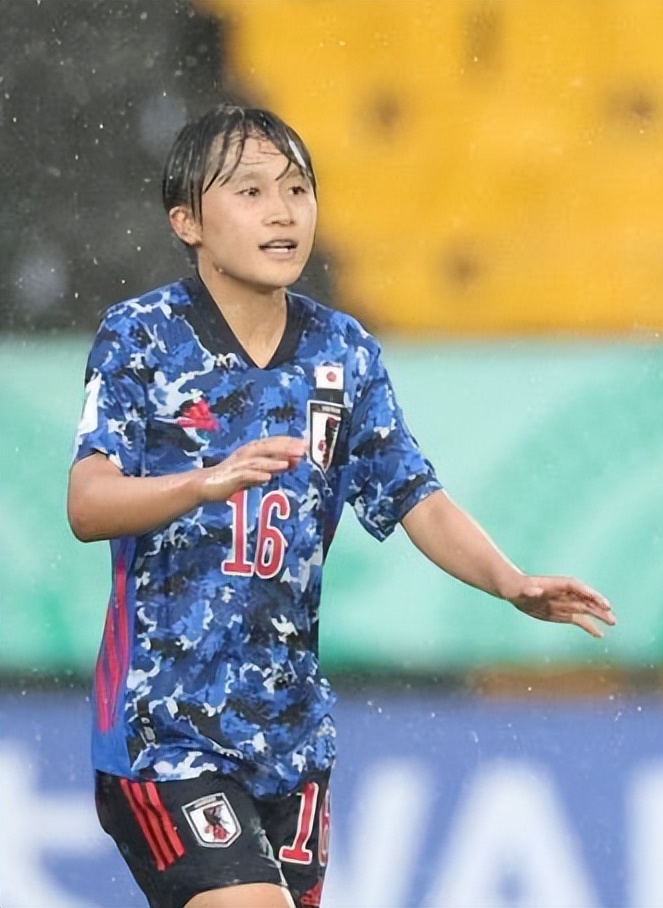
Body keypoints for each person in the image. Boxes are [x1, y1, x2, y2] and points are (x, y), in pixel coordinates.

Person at [66, 105, 616, 908]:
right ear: (186, 221)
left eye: (296, 188)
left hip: (290, 735)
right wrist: (202, 483)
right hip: (166, 731)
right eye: (249, 191)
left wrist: (510, 581)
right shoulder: (142, 338)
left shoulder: (342, 352)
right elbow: (88, 503)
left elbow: (413, 494)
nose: (283, 210)